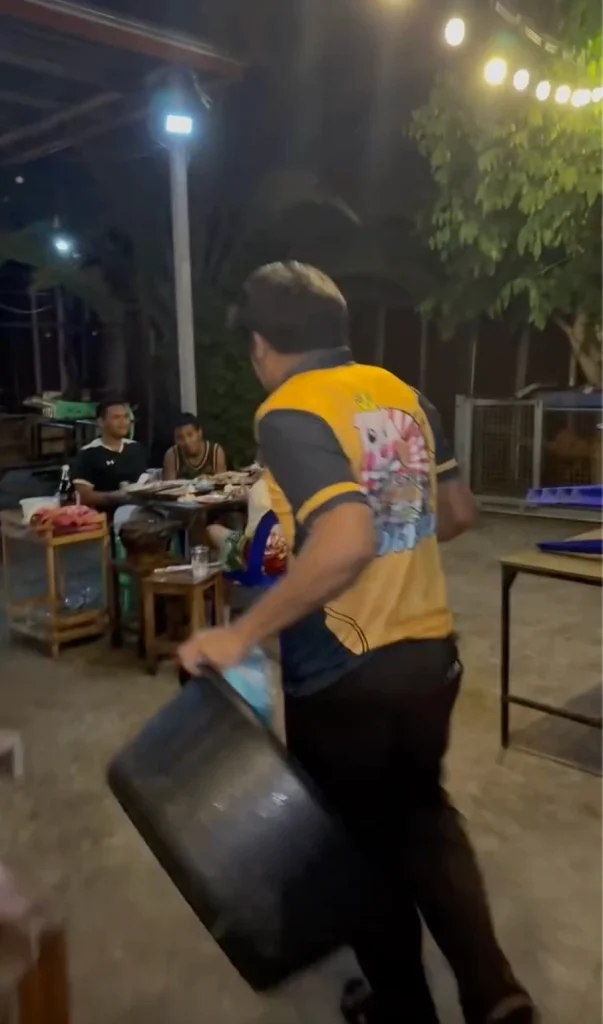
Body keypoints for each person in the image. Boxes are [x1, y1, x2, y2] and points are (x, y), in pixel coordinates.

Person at [178, 262, 536, 1024]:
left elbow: (343, 540)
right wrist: (386, 527)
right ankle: (494, 993)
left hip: (343, 671)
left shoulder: (288, 410)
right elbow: (459, 512)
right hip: (428, 653)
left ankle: (401, 1009)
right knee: (423, 818)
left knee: (358, 849)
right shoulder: (402, 393)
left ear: (262, 345)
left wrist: (237, 633)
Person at [72, 400, 147, 514]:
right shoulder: (88, 453)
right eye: (116, 418)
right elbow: (83, 496)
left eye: (125, 417)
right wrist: (115, 497)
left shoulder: (135, 447)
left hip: (139, 511)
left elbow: (144, 480)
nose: (123, 422)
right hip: (104, 517)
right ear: (101, 422)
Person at [207, 470, 286, 575]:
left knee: (211, 530)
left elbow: (251, 532)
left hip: (262, 554)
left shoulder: (261, 486)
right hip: (292, 554)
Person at [163, 413, 227, 480]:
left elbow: (223, 483)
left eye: (190, 435)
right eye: (180, 438)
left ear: (199, 432)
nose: (186, 442)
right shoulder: (172, 455)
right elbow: (168, 486)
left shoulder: (215, 452)